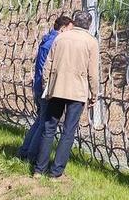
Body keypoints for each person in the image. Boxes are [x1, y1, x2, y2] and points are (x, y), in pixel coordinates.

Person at [34, 10, 99, 179]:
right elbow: (93, 73)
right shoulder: (91, 42)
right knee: (68, 132)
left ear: (75, 22)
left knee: (49, 129)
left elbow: (47, 65)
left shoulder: (60, 38)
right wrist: (94, 94)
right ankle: (56, 172)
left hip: (57, 89)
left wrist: (46, 87)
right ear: (89, 24)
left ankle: (39, 170)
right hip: (77, 93)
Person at [16, 15, 73, 161]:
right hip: (45, 88)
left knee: (40, 121)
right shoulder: (55, 42)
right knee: (44, 124)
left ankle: (24, 151)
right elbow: (47, 68)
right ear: (62, 29)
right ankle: (31, 156)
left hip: (38, 85)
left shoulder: (46, 40)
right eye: (69, 30)